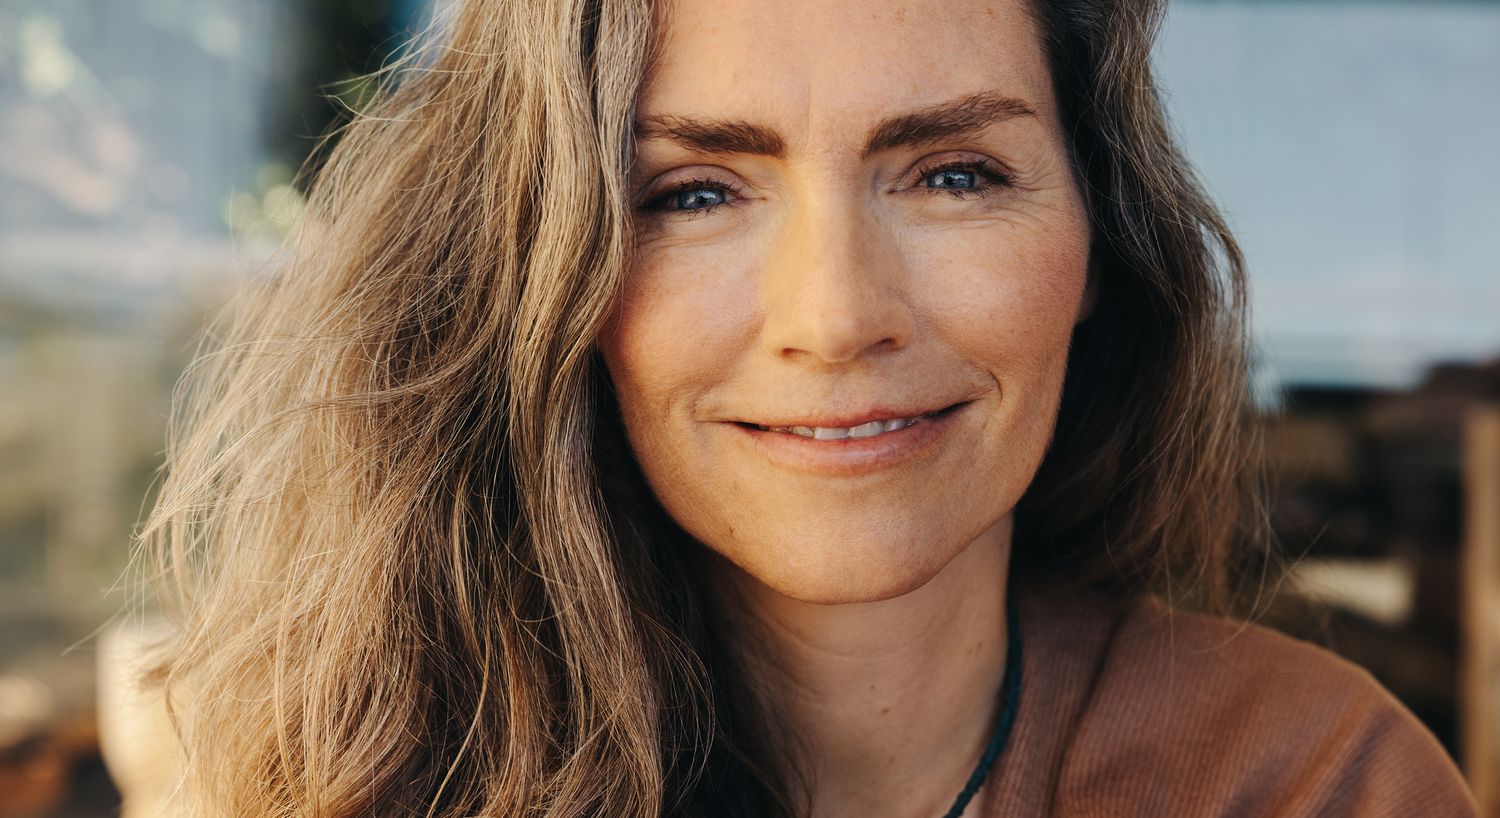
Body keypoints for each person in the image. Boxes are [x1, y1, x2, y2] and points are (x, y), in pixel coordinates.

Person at [135, 0, 1480, 815]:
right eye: (696, 193)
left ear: (1098, 245)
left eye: (952, 174)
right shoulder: (367, 783)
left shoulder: (1301, 781)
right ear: (543, 279)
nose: (837, 316)